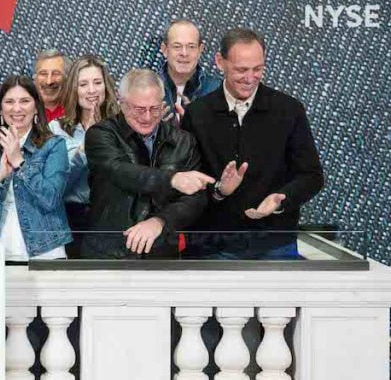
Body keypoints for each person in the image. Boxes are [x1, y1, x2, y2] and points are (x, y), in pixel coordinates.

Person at [182, 28, 324, 259]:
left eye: (257, 69)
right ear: (220, 62)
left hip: (274, 244)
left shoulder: (289, 110)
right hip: (213, 245)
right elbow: (186, 180)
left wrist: (281, 199)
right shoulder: (197, 114)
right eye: (241, 70)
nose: (250, 78)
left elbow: (312, 175)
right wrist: (218, 191)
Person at [83, 68, 214, 259]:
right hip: (108, 253)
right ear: (122, 104)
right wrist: (172, 179)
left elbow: (196, 199)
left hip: (162, 254)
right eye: (139, 109)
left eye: (154, 109)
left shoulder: (183, 141)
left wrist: (160, 221)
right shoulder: (100, 134)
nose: (147, 117)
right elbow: (120, 171)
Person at [0, 76, 72, 261]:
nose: (17, 108)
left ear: (36, 107)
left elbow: (51, 199)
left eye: (24, 101)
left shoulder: (54, 145)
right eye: (9, 102)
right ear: (0, 109)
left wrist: (20, 163)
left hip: (45, 252)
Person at [49, 55, 121, 249]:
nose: (91, 90)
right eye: (83, 84)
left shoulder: (122, 126)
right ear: (73, 89)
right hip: (71, 219)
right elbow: (58, 184)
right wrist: (86, 146)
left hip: (114, 218)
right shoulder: (57, 129)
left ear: (106, 86)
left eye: (97, 82)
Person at [156, 19, 222, 124]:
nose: (184, 53)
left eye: (191, 47)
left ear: (200, 50)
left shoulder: (218, 90)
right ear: (164, 49)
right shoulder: (144, 89)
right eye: (177, 46)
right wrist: (153, 128)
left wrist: (197, 127)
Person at [33, 49, 70, 122]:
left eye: (56, 73)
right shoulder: (23, 111)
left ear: (67, 78)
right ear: (35, 79)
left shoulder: (78, 111)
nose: (49, 81)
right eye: (43, 73)